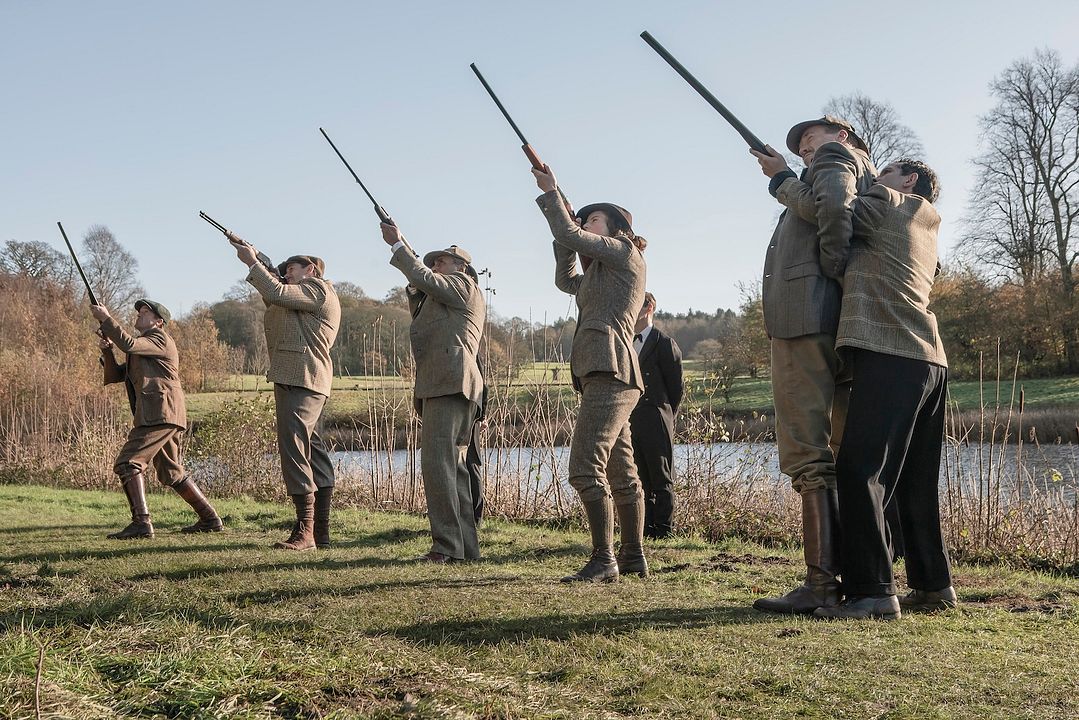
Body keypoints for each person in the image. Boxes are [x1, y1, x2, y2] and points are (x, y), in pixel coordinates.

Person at [774, 159, 954, 619]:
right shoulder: (927, 225)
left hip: (889, 350)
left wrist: (782, 179)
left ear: (909, 181)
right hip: (930, 360)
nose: (877, 179)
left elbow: (832, 211)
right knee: (915, 481)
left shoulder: (889, 201)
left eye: (888, 171)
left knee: (859, 471)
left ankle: (873, 592)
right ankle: (933, 586)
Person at [748, 115, 876, 614]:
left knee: (805, 447)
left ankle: (821, 584)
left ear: (843, 136)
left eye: (811, 138)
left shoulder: (835, 159)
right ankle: (848, 576)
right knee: (839, 449)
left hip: (806, 319)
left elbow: (832, 212)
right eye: (799, 145)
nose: (805, 147)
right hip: (838, 321)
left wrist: (781, 180)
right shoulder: (846, 165)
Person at [532, 164, 647, 582]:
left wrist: (552, 194)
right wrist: (564, 230)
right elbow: (566, 279)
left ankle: (604, 561)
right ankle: (632, 556)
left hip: (610, 369)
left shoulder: (624, 253)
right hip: (604, 371)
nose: (586, 222)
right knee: (621, 470)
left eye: (593, 219)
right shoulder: (599, 274)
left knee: (584, 467)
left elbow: (571, 234)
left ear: (616, 230)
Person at [379, 224, 486, 563]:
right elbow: (421, 292)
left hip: (450, 382)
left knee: (438, 466)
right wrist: (413, 270)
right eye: (436, 261)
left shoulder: (462, 285)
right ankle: (464, 549)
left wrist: (398, 246)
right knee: (451, 469)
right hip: (447, 383)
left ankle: (446, 548)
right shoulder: (443, 299)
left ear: (462, 268)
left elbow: (427, 281)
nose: (438, 264)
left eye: (444, 261)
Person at [229, 236, 341, 550]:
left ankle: (305, 531)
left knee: (294, 447)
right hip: (300, 378)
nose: (287, 272)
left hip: (302, 378)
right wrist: (256, 262)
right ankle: (319, 533)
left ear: (312, 269)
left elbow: (276, 290)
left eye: (292, 267)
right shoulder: (296, 298)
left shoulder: (318, 289)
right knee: (312, 450)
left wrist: (252, 261)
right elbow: (273, 291)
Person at [92, 298, 222, 539]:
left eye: (145, 312)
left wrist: (106, 319)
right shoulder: (144, 346)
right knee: (171, 472)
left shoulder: (159, 339)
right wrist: (107, 350)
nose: (139, 315)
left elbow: (129, 343)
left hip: (160, 412)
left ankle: (141, 523)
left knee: (128, 463)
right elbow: (115, 375)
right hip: (161, 412)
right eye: (139, 312)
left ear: (159, 322)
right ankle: (210, 519)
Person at [629, 292, 684, 539]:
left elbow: (676, 388)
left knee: (662, 478)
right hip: (631, 420)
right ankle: (645, 530)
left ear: (649, 307)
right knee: (639, 479)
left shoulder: (664, 343)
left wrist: (664, 415)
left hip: (657, 417)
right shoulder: (626, 342)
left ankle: (664, 532)